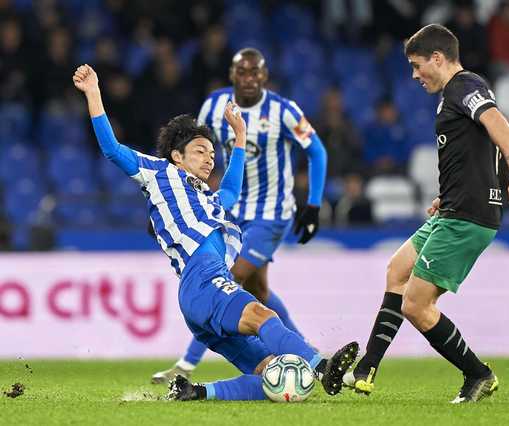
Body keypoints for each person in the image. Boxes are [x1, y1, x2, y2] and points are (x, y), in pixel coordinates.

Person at [72, 64, 357, 401]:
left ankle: (195, 392)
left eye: (211, 153)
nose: (209, 159)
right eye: (199, 151)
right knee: (263, 314)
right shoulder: (159, 173)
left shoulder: (210, 200)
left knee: (268, 371)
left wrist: (239, 139)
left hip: (201, 294)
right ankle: (322, 368)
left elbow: (233, 190)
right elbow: (112, 149)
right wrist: (93, 93)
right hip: (204, 280)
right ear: (177, 156)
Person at [342, 24, 509, 403]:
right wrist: (448, 195)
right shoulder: (455, 95)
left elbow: (496, 122)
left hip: (469, 218)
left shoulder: (463, 85)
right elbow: (473, 151)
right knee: (397, 269)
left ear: (438, 58)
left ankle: (479, 374)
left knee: (416, 305)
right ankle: (366, 370)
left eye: (417, 65)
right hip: (454, 209)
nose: (414, 75)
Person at [151, 47, 328, 384]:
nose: (248, 79)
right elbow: (198, 155)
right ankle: (302, 350)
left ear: (264, 76)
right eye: (241, 73)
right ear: (232, 75)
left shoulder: (284, 111)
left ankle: (186, 365)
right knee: (258, 289)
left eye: (255, 72)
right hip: (229, 211)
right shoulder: (215, 106)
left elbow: (316, 152)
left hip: (271, 214)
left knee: (229, 277)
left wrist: (314, 204)